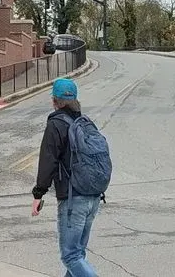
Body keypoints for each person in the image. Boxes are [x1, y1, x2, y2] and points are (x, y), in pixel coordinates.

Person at [31, 77, 108, 277]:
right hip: (93, 197)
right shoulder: (85, 122)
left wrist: (38, 194)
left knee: (70, 256)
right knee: (78, 254)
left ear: (54, 100)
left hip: (73, 200)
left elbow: (48, 161)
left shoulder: (56, 124)